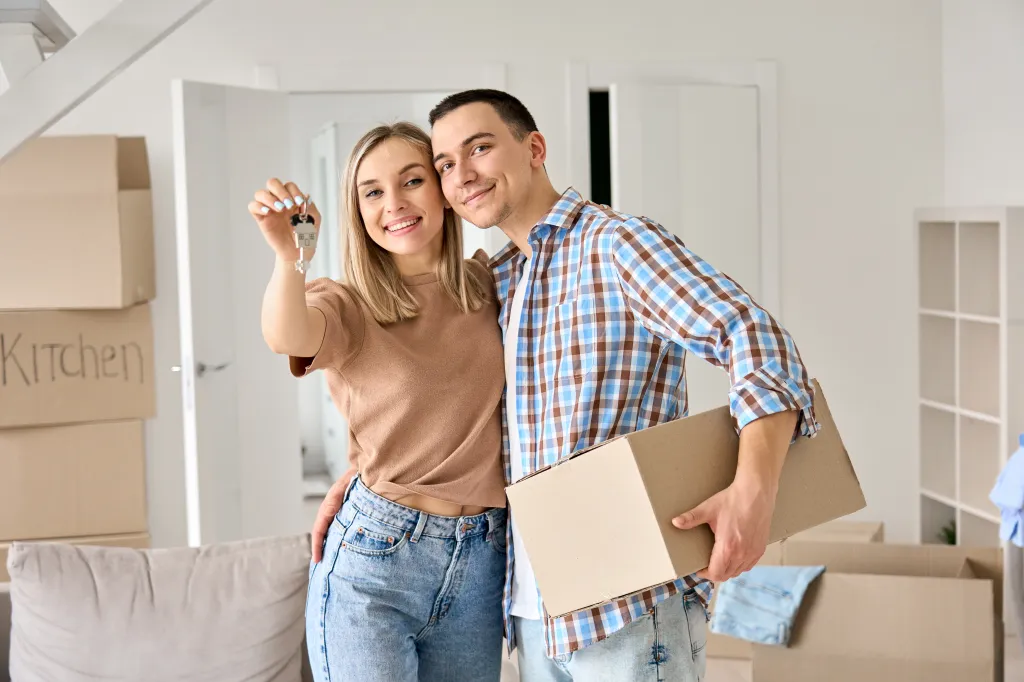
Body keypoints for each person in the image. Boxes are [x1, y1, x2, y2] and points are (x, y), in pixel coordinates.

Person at [425, 89, 819, 681]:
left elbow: (753, 337)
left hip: (630, 608)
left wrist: (753, 492)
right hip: (534, 611)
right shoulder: (496, 280)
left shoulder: (616, 245)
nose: (463, 174)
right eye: (446, 165)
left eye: (480, 147)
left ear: (534, 148)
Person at [253, 121, 508, 682]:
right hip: (377, 558)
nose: (394, 203)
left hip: (483, 559)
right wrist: (290, 256)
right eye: (372, 191)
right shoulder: (348, 305)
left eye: (412, 180)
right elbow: (286, 336)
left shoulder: (491, 284)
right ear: (357, 210)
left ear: (442, 189)